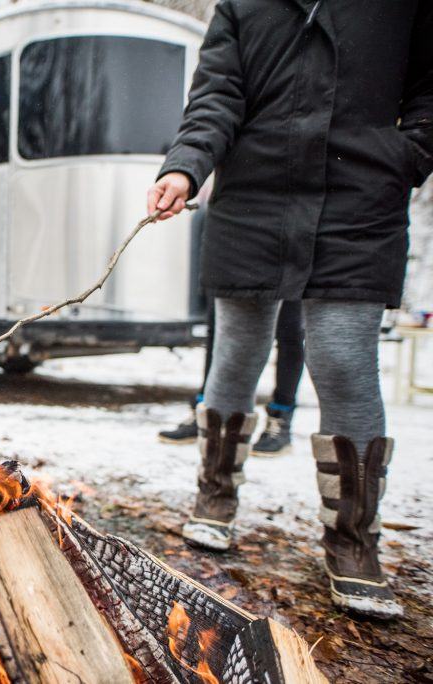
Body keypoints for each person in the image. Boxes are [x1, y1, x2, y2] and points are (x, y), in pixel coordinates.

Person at [147, 1, 432, 619]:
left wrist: (407, 156)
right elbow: (217, 94)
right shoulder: (243, 3)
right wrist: (187, 165)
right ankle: (215, 494)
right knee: (237, 354)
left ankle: (353, 541)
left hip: (359, 195)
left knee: (343, 360)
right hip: (254, 194)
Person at [159, 298, 304, 457]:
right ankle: (207, 413)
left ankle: (280, 421)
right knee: (217, 327)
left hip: (292, 276)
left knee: (290, 330)